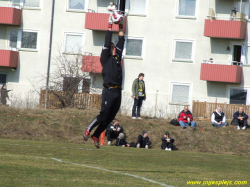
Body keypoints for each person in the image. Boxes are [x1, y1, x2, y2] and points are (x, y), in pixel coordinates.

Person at [83, 15, 125, 149]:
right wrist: (109, 24)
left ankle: (96, 135)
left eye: (114, 46)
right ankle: (89, 128)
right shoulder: (105, 59)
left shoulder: (117, 56)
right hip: (109, 90)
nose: (114, 47)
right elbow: (107, 41)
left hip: (118, 91)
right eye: (112, 46)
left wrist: (121, 24)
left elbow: (121, 39)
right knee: (103, 115)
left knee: (110, 117)